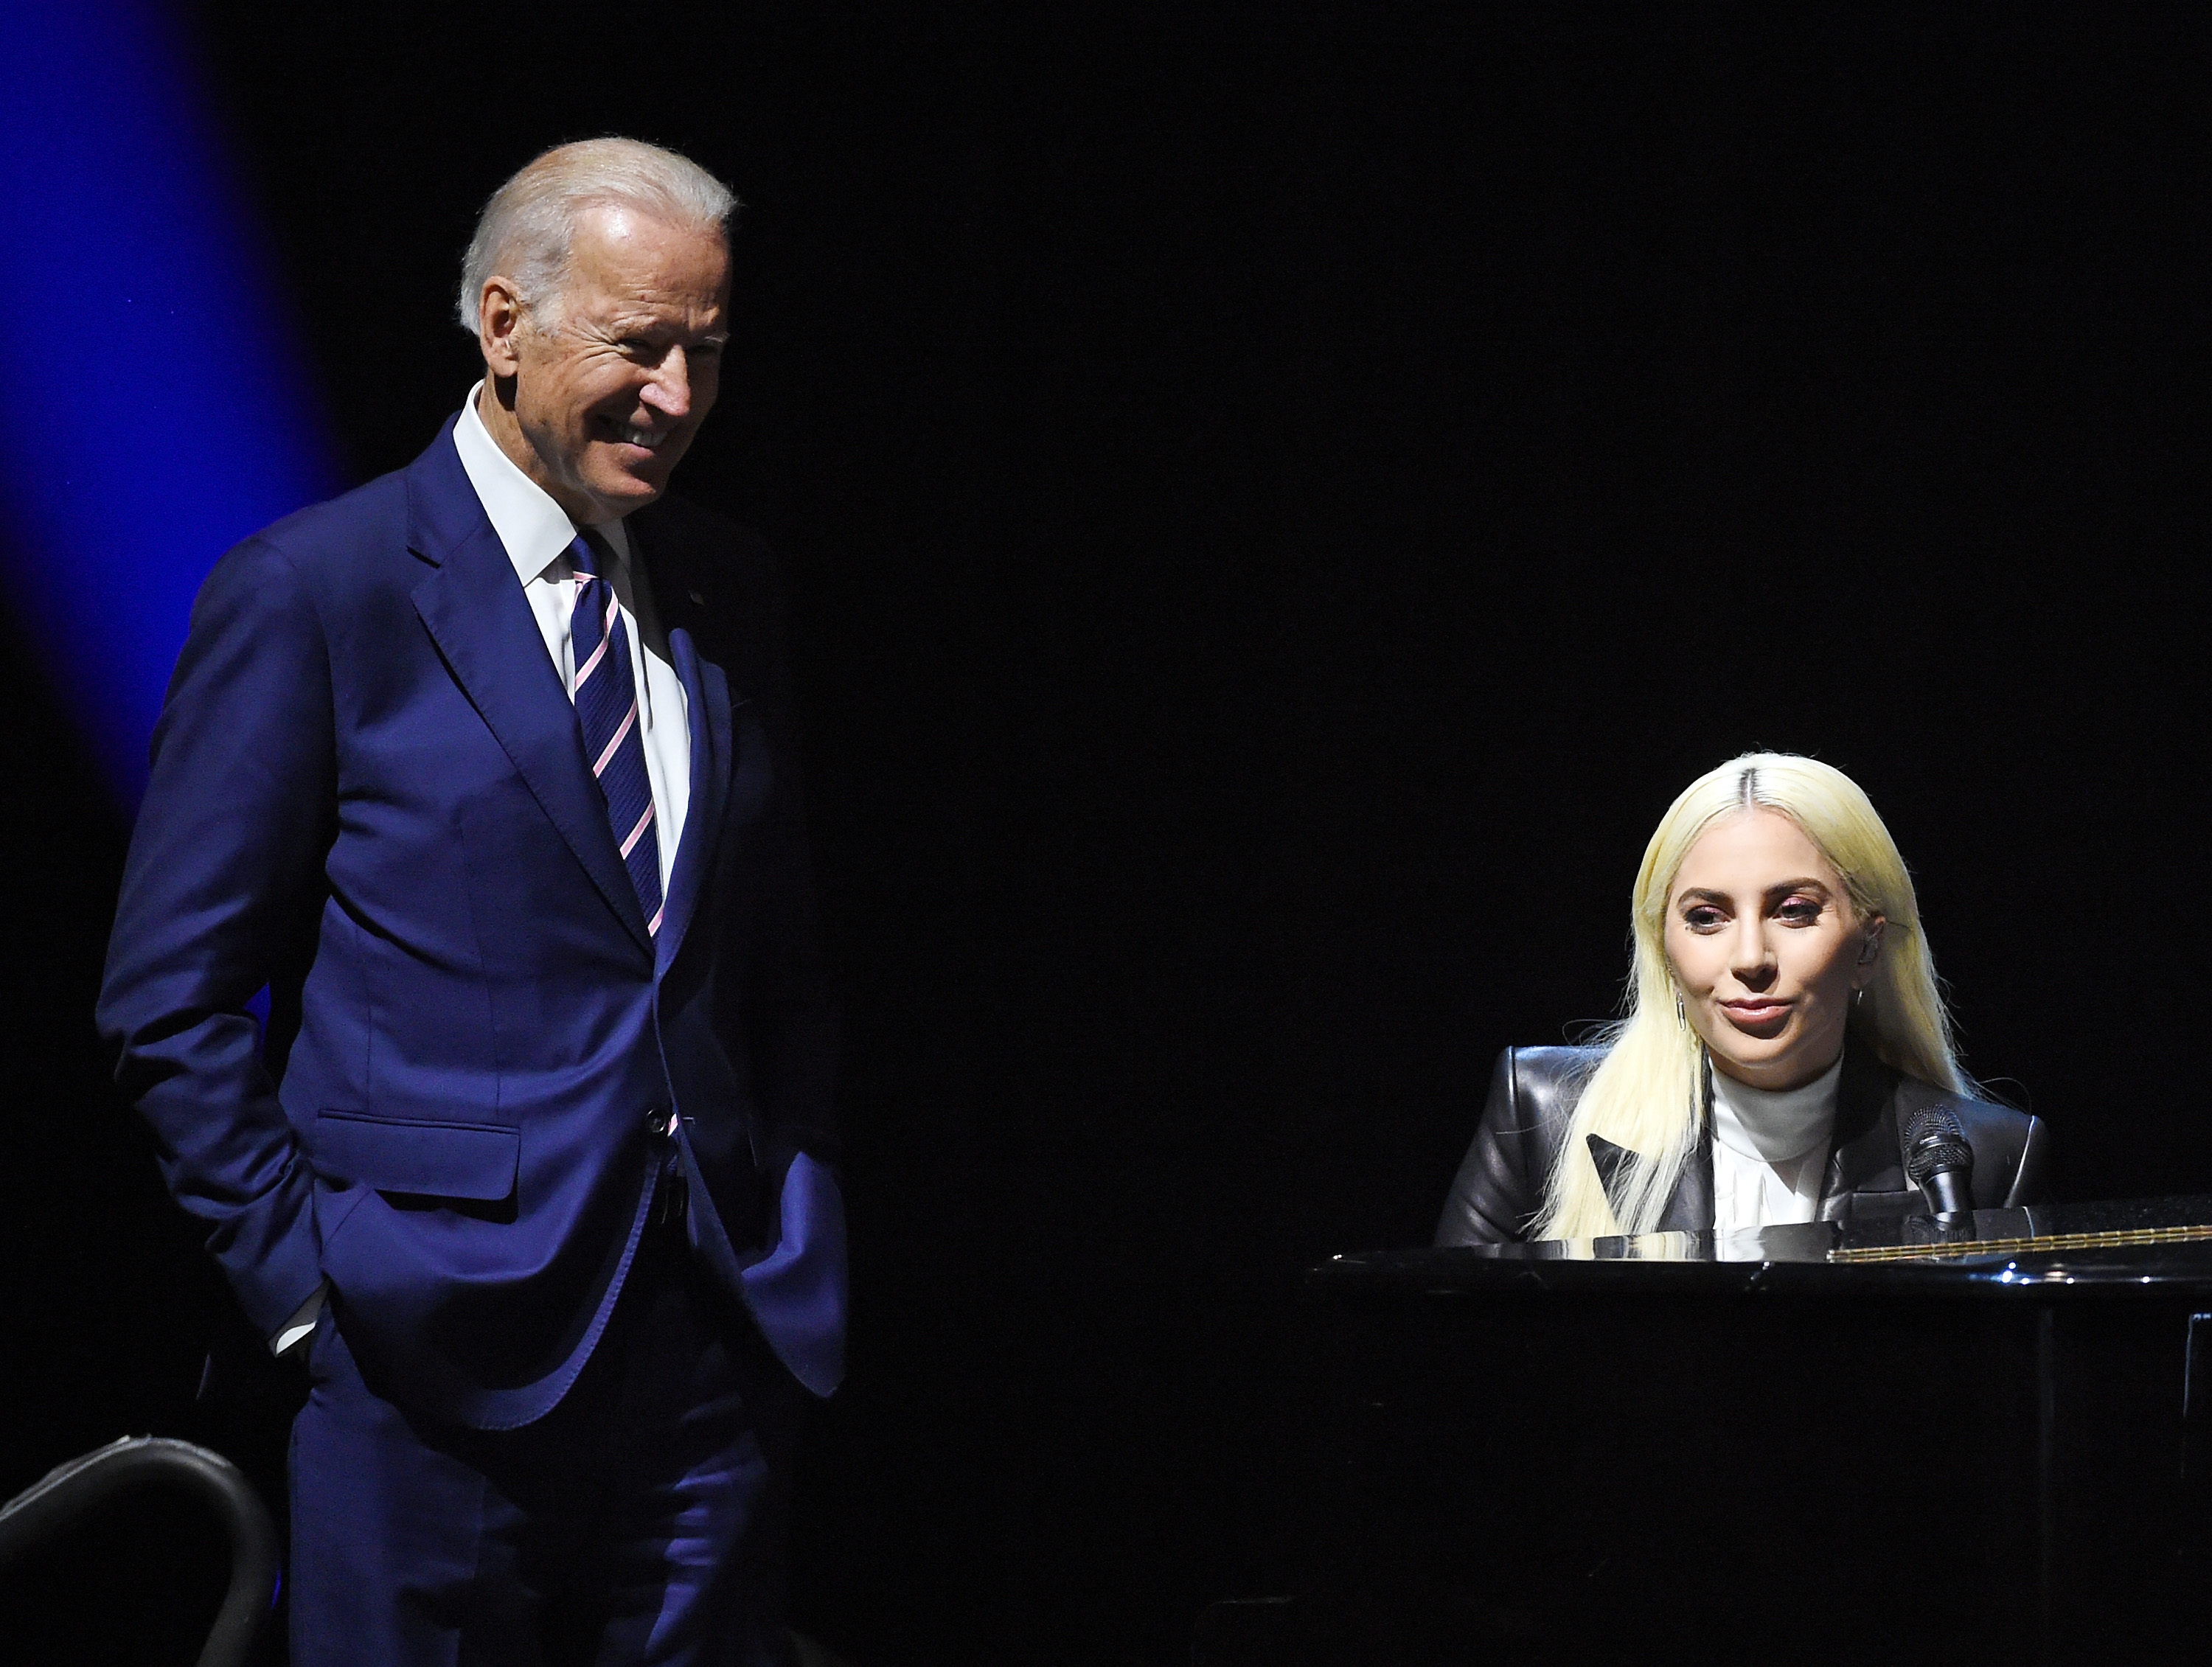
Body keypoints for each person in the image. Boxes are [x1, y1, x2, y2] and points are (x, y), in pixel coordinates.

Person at [97, 138, 842, 1665]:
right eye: (638, 345)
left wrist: (792, 1208)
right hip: (420, 1358)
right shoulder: (323, 589)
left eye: (707, 351)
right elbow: (168, 997)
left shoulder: (729, 583)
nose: (680, 398)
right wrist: (310, 1296)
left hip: (705, 1354)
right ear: (504, 324)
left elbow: (769, 958)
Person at [1436, 753, 2048, 1245]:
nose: (1751, 957)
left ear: (1867, 947)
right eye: (1707, 917)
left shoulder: (1989, 1157)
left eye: (1795, 911)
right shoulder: (1541, 1114)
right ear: (1665, 953)